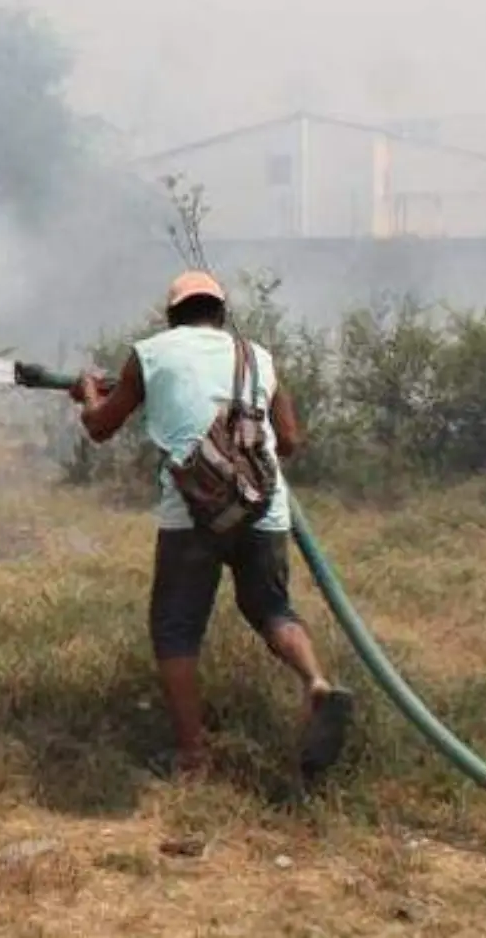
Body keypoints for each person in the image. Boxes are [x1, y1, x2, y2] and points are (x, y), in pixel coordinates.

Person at [69, 270, 353, 783]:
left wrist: (90, 391)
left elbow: (100, 426)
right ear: (220, 314)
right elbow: (288, 441)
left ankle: (193, 758)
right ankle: (314, 680)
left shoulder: (150, 353)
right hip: (264, 509)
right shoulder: (257, 357)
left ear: (171, 315)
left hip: (193, 513)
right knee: (271, 608)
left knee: (175, 628)